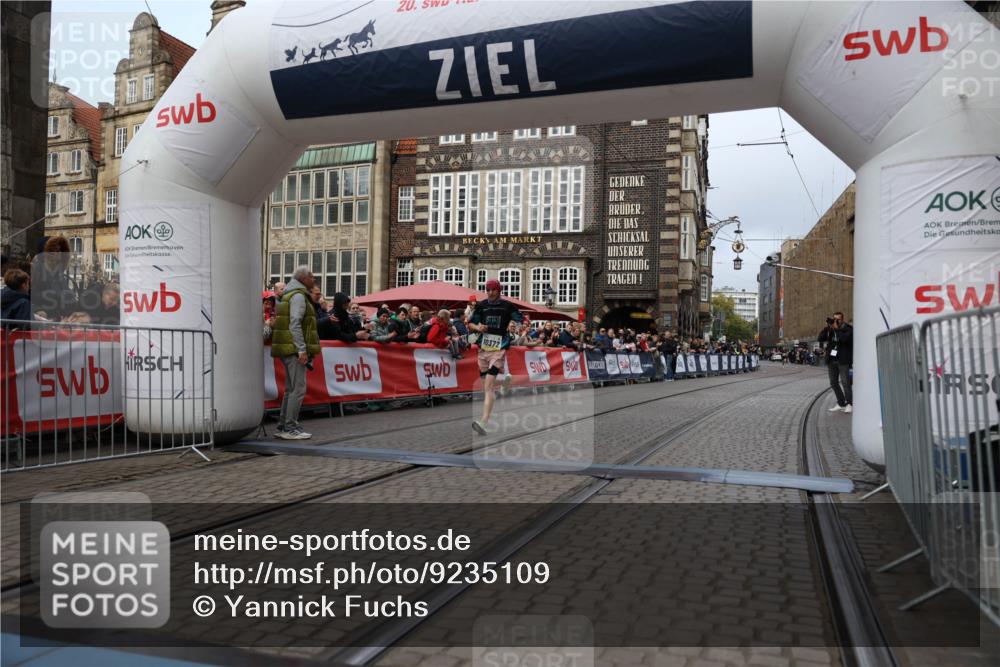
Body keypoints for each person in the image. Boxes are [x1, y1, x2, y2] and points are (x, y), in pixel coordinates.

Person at [270, 266, 321, 440]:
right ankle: (290, 427)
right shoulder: (299, 296)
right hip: (293, 348)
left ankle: (284, 425)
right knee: (298, 388)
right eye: (312, 277)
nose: (314, 280)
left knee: (291, 389)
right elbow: (295, 323)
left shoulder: (289, 294)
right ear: (303, 278)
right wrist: (302, 349)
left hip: (287, 347)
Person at [469, 279, 524, 435]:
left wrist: (514, 324)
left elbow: (521, 319)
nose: (490, 292)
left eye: (493, 289)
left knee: (487, 387)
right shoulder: (481, 305)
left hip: (499, 347)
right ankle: (505, 381)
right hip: (483, 347)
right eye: (488, 289)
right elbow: (471, 324)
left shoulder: (507, 306)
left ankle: (484, 422)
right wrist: (478, 327)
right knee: (486, 384)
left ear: (499, 290)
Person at [818, 311, 853, 413]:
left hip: (843, 360)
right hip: (832, 360)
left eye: (838, 319)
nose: (836, 321)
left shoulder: (848, 329)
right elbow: (820, 338)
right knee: (833, 383)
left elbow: (845, 339)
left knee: (845, 382)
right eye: (835, 319)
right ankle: (841, 403)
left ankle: (850, 404)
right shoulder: (830, 329)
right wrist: (827, 328)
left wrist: (837, 329)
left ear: (842, 320)